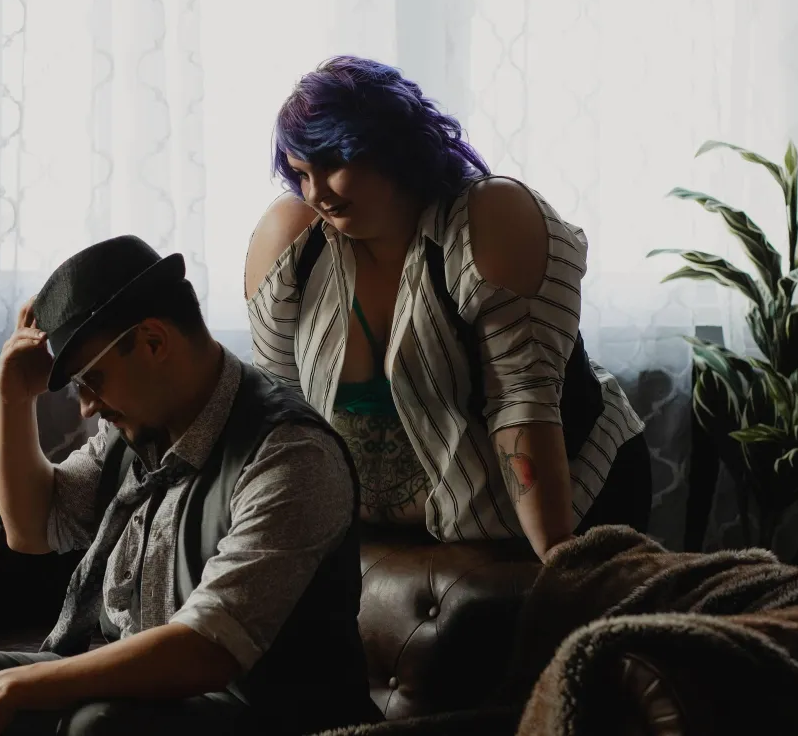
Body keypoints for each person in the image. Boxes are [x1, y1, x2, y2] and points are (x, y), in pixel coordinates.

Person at [0, 235, 378, 735]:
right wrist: (14, 399)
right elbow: (33, 529)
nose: (86, 407)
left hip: (266, 713)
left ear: (153, 341)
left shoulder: (288, 453)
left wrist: (16, 685)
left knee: (100, 725)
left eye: (91, 380)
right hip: (147, 699)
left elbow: (208, 648)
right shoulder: (137, 429)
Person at [245, 56, 651, 563]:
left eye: (332, 165)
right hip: (402, 527)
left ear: (391, 149)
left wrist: (557, 559)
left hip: (571, 493)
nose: (316, 192)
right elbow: (279, 413)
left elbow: (520, 402)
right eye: (301, 173)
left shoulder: (491, 218)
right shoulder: (293, 242)